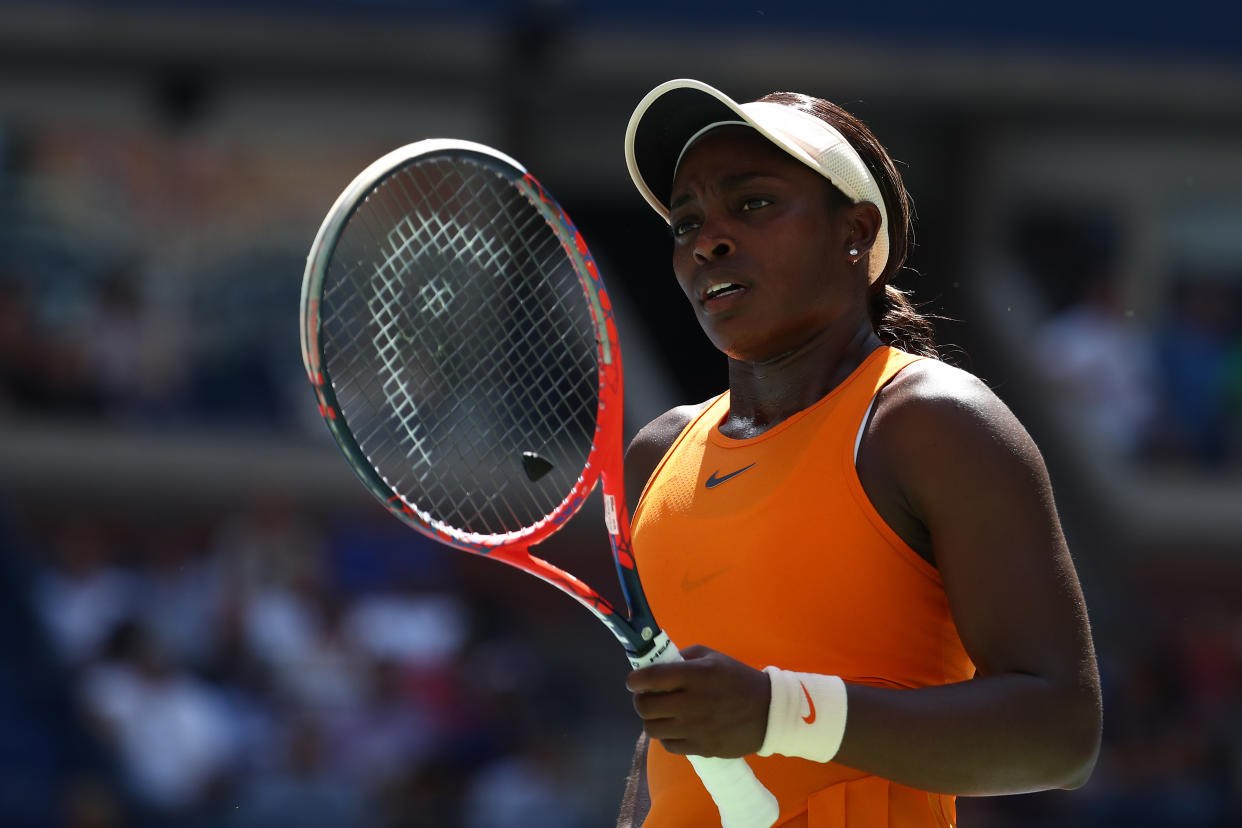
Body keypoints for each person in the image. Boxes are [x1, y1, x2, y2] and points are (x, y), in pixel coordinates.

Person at [615, 79, 1102, 828]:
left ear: (854, 230)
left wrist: (782, 714)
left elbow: (1061, 736)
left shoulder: (932, 422)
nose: (707, 239)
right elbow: (667, 752)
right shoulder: (659, 453)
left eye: (752, 204)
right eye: (685, 223)